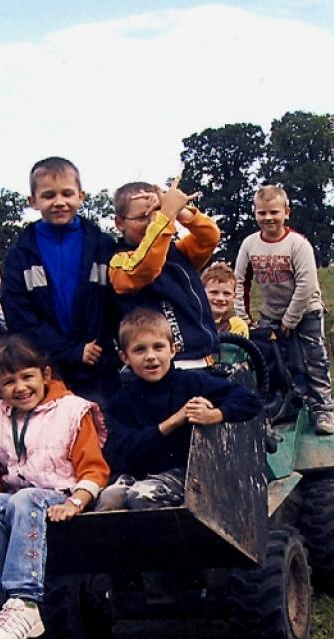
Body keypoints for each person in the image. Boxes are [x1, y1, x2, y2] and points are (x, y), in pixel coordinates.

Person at [0, 336, 109, 639]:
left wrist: (76, 501)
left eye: (27, 377)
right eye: (8, 382)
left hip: (61, 495)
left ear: (45, 375)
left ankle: (24, 602)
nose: (19, 388)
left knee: (26, 498)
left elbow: (94, 469)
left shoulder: (73, 411)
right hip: (16, 498)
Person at [97, 308, 260, 511]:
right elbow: (121, 452)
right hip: (138, 473)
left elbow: (250, 401)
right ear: (125, 357)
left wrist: (215, 415)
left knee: (141, 497)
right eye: (140, 350)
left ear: (173, 349)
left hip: (187, 475)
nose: (151, 357)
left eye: (158, 347)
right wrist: (174, 421)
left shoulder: (191, 383)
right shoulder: (122, 401)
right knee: (109, 498)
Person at [0, 156, 119, 404]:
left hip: (99, 368)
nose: (59, 202)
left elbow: (116, 303)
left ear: (81, 196)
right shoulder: (19, 255)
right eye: (48, 195)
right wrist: (72, 351)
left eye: (67, 193)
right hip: (47, 370)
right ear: (33, 201)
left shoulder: (103, 246)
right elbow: (19, 317)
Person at [234, 185, 334, 434]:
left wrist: (290, 320)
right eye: (262, 213)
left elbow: (306, 284)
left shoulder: (297, 245)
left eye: (274, 212)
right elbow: (239, 281)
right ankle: (282, 405)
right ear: (255, 214)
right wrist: (242, 317)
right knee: (273, 361)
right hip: (271, 313)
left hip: (305, 310)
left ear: (286, 213)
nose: (268, 218)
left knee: (314, 360)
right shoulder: (249, 244)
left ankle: (323, 409)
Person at [109, 176, 220, 366]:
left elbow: (210, 236)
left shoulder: (179, 252)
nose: (153, 222)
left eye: (157, 213)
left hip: (203, 360)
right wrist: (166, 216)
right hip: (157, 368)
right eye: (142, 218)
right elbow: (147, 265)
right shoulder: (118, 262)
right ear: (119, 223)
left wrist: (180, 211)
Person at [201, 261, 249, 338]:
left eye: (227, 294)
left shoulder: (238, 325)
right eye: (214, 292)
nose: (220, 298)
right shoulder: (193, 321)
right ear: (201, 294)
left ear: (234, 297)